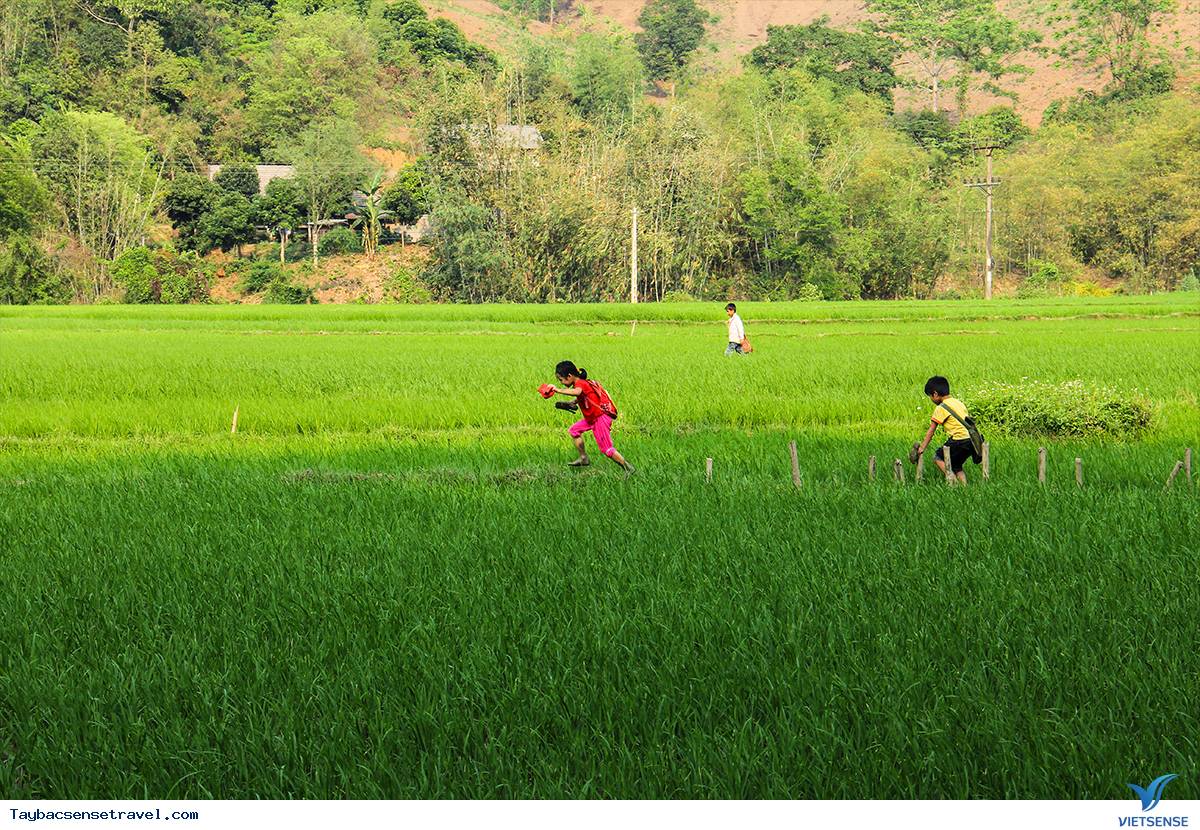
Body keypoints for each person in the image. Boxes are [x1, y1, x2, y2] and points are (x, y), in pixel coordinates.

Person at [549, 361, 635, 475]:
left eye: (561, 380)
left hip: (600, 418)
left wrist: (557, 390)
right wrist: (570, 404)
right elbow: (582, 397)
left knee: (607, 449)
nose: (561, 383)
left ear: (569, 376)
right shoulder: (581, 384)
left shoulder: (581, 384)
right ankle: (584, 458)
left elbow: (577, 392)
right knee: (574, 430)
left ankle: (629, 469)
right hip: (591, 418)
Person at [914, 376, 974, 485]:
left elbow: (931, 430)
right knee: (956, 466)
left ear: (935, 394)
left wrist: (922, 447)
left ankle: (953, 482)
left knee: (938, 457)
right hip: (970, 440)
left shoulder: (941, 407)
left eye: (930, 396)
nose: (931, 400)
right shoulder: (958, 402)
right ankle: (965, 488)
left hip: (958, 439)